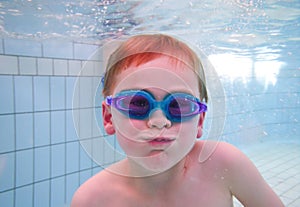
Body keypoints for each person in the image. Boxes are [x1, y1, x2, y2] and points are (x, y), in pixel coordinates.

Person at [71, 33, 284, 207]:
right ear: (109, 117)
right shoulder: (92, 199)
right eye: (138, 103)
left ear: (200, 121)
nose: (159, 121)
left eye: (179, 105)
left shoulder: (223, 164)